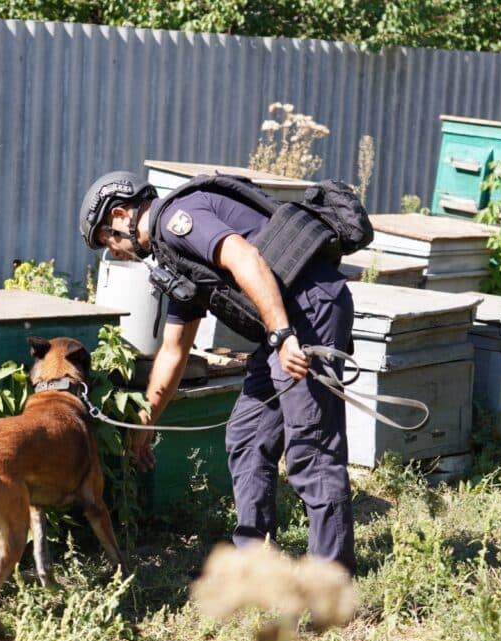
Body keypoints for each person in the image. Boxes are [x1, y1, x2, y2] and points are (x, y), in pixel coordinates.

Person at [77, 170, 356, 573]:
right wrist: (146, 423)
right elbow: (173, 350)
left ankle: (331, 579)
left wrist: (282, 334)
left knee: (311, 449)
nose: (113, 250)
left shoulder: (177, 219)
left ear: (120, 215)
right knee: (248, 435)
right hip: (285, 322)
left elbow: (244, 257)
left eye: (107, 239)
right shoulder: (175, 259)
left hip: (307, 314)